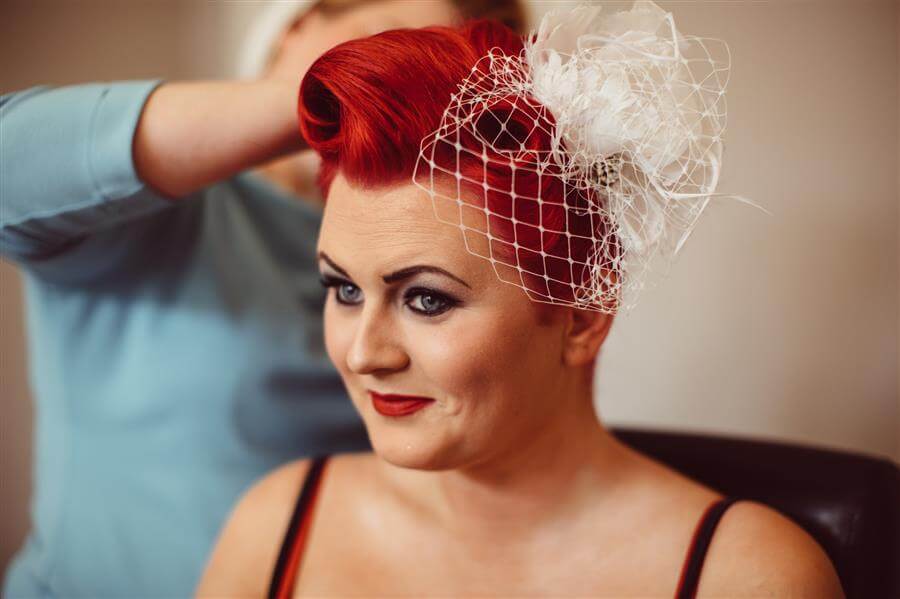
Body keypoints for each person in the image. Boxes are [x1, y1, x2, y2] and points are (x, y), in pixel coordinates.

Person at [195, 4, 846, 597]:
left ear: (583, 314)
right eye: (343, 288)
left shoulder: (745, 576)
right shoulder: (274, 524)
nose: (363, 352)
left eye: (425, 299)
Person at [0, 1, 525, 597]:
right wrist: (335, 93)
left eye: (440, 86)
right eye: (389, 43)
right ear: (298, 26)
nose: (364, 353)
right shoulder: (155, 210)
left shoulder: (460, 263)